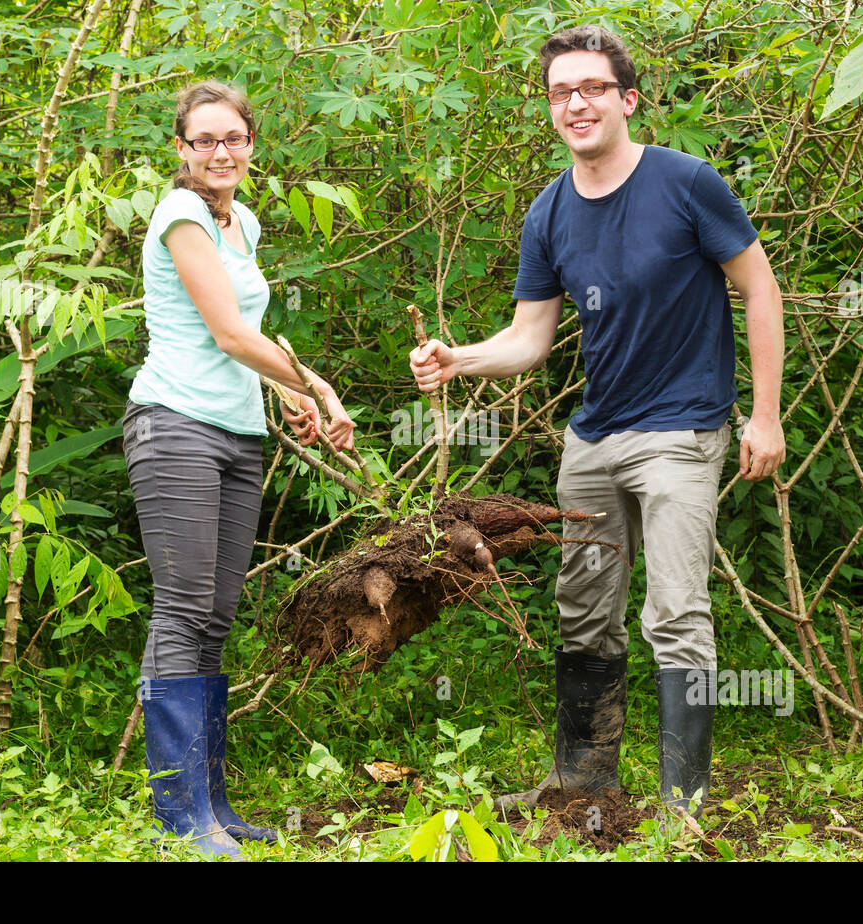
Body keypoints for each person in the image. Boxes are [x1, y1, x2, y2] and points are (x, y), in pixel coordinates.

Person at [409, 26, 785, 817]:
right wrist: (457, 360)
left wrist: (766, 414)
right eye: (559, 92)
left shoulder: (687, 183)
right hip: (592, 439)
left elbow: (761, 288)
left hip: (681, 431)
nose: (575, 103)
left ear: (627, 99)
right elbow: (529, 339)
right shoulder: (548, 213)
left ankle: (682, 804)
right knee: (582, 610)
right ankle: (582, 780)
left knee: (676, 611)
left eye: (591, 88)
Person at [124, 80, 354, 858]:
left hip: (235, 432)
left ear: (252, 143)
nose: (221, 153)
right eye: (204, 141)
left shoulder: (242, 221)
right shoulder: (181, 215)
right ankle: (181, 818)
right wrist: (312, 384)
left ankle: (212, 803)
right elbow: (224, 332)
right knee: (184, 608)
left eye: (235, 138)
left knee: (216, 616)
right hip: (174, 426)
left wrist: (280, 392)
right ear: (180, 150)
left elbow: (241, 335)